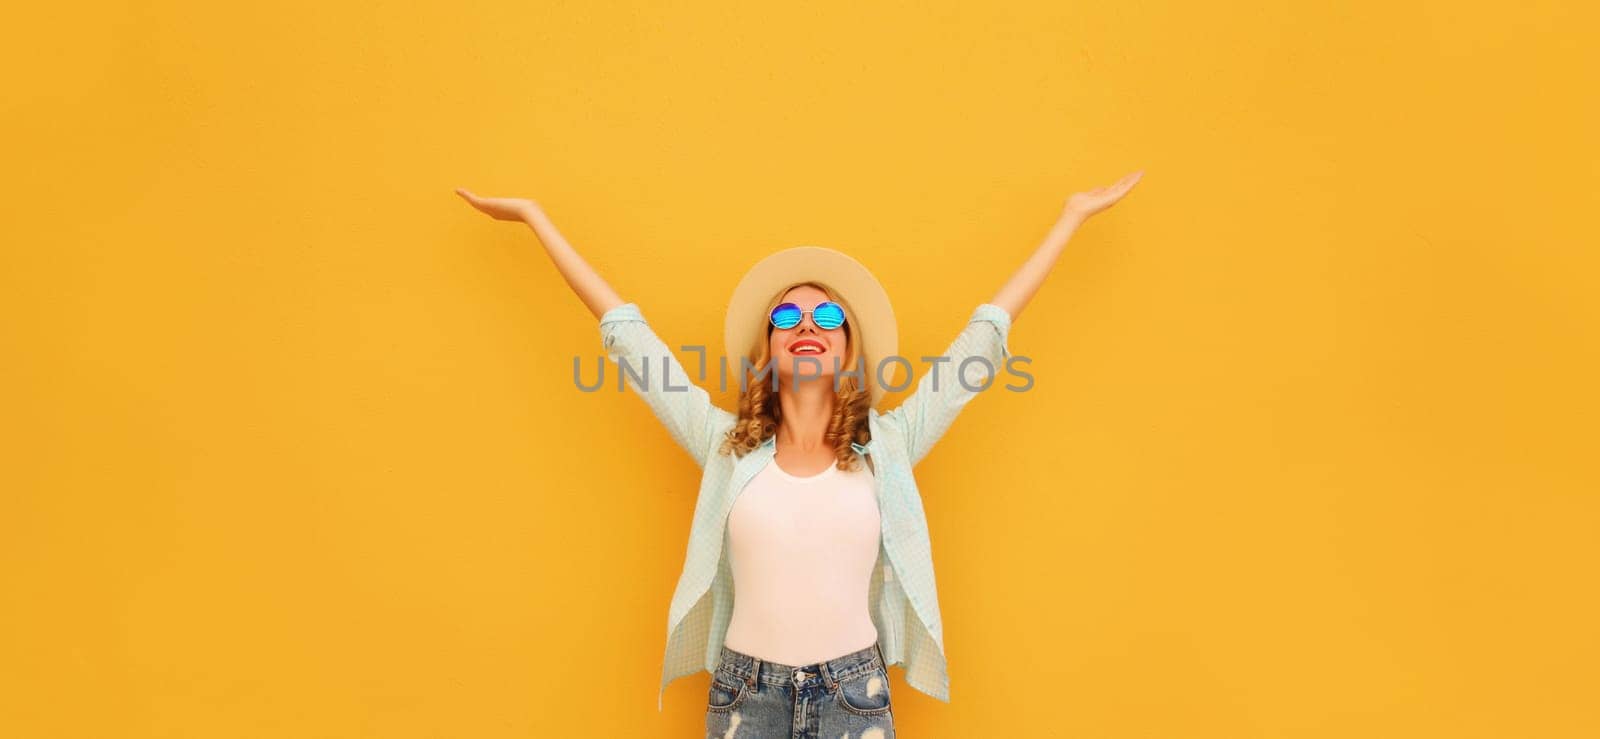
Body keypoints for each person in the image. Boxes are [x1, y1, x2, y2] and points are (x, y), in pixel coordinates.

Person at [455, 171, 1143, 737]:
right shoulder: (725, 444)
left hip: (855, 697)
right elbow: (631, 341)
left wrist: (1071, 217)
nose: (806, 326)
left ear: (847, 347)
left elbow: (984, 338)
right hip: (743, 699)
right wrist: (536, 218)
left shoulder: (890, 444)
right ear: (768, 350)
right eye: (786, 317)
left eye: (825, 318)